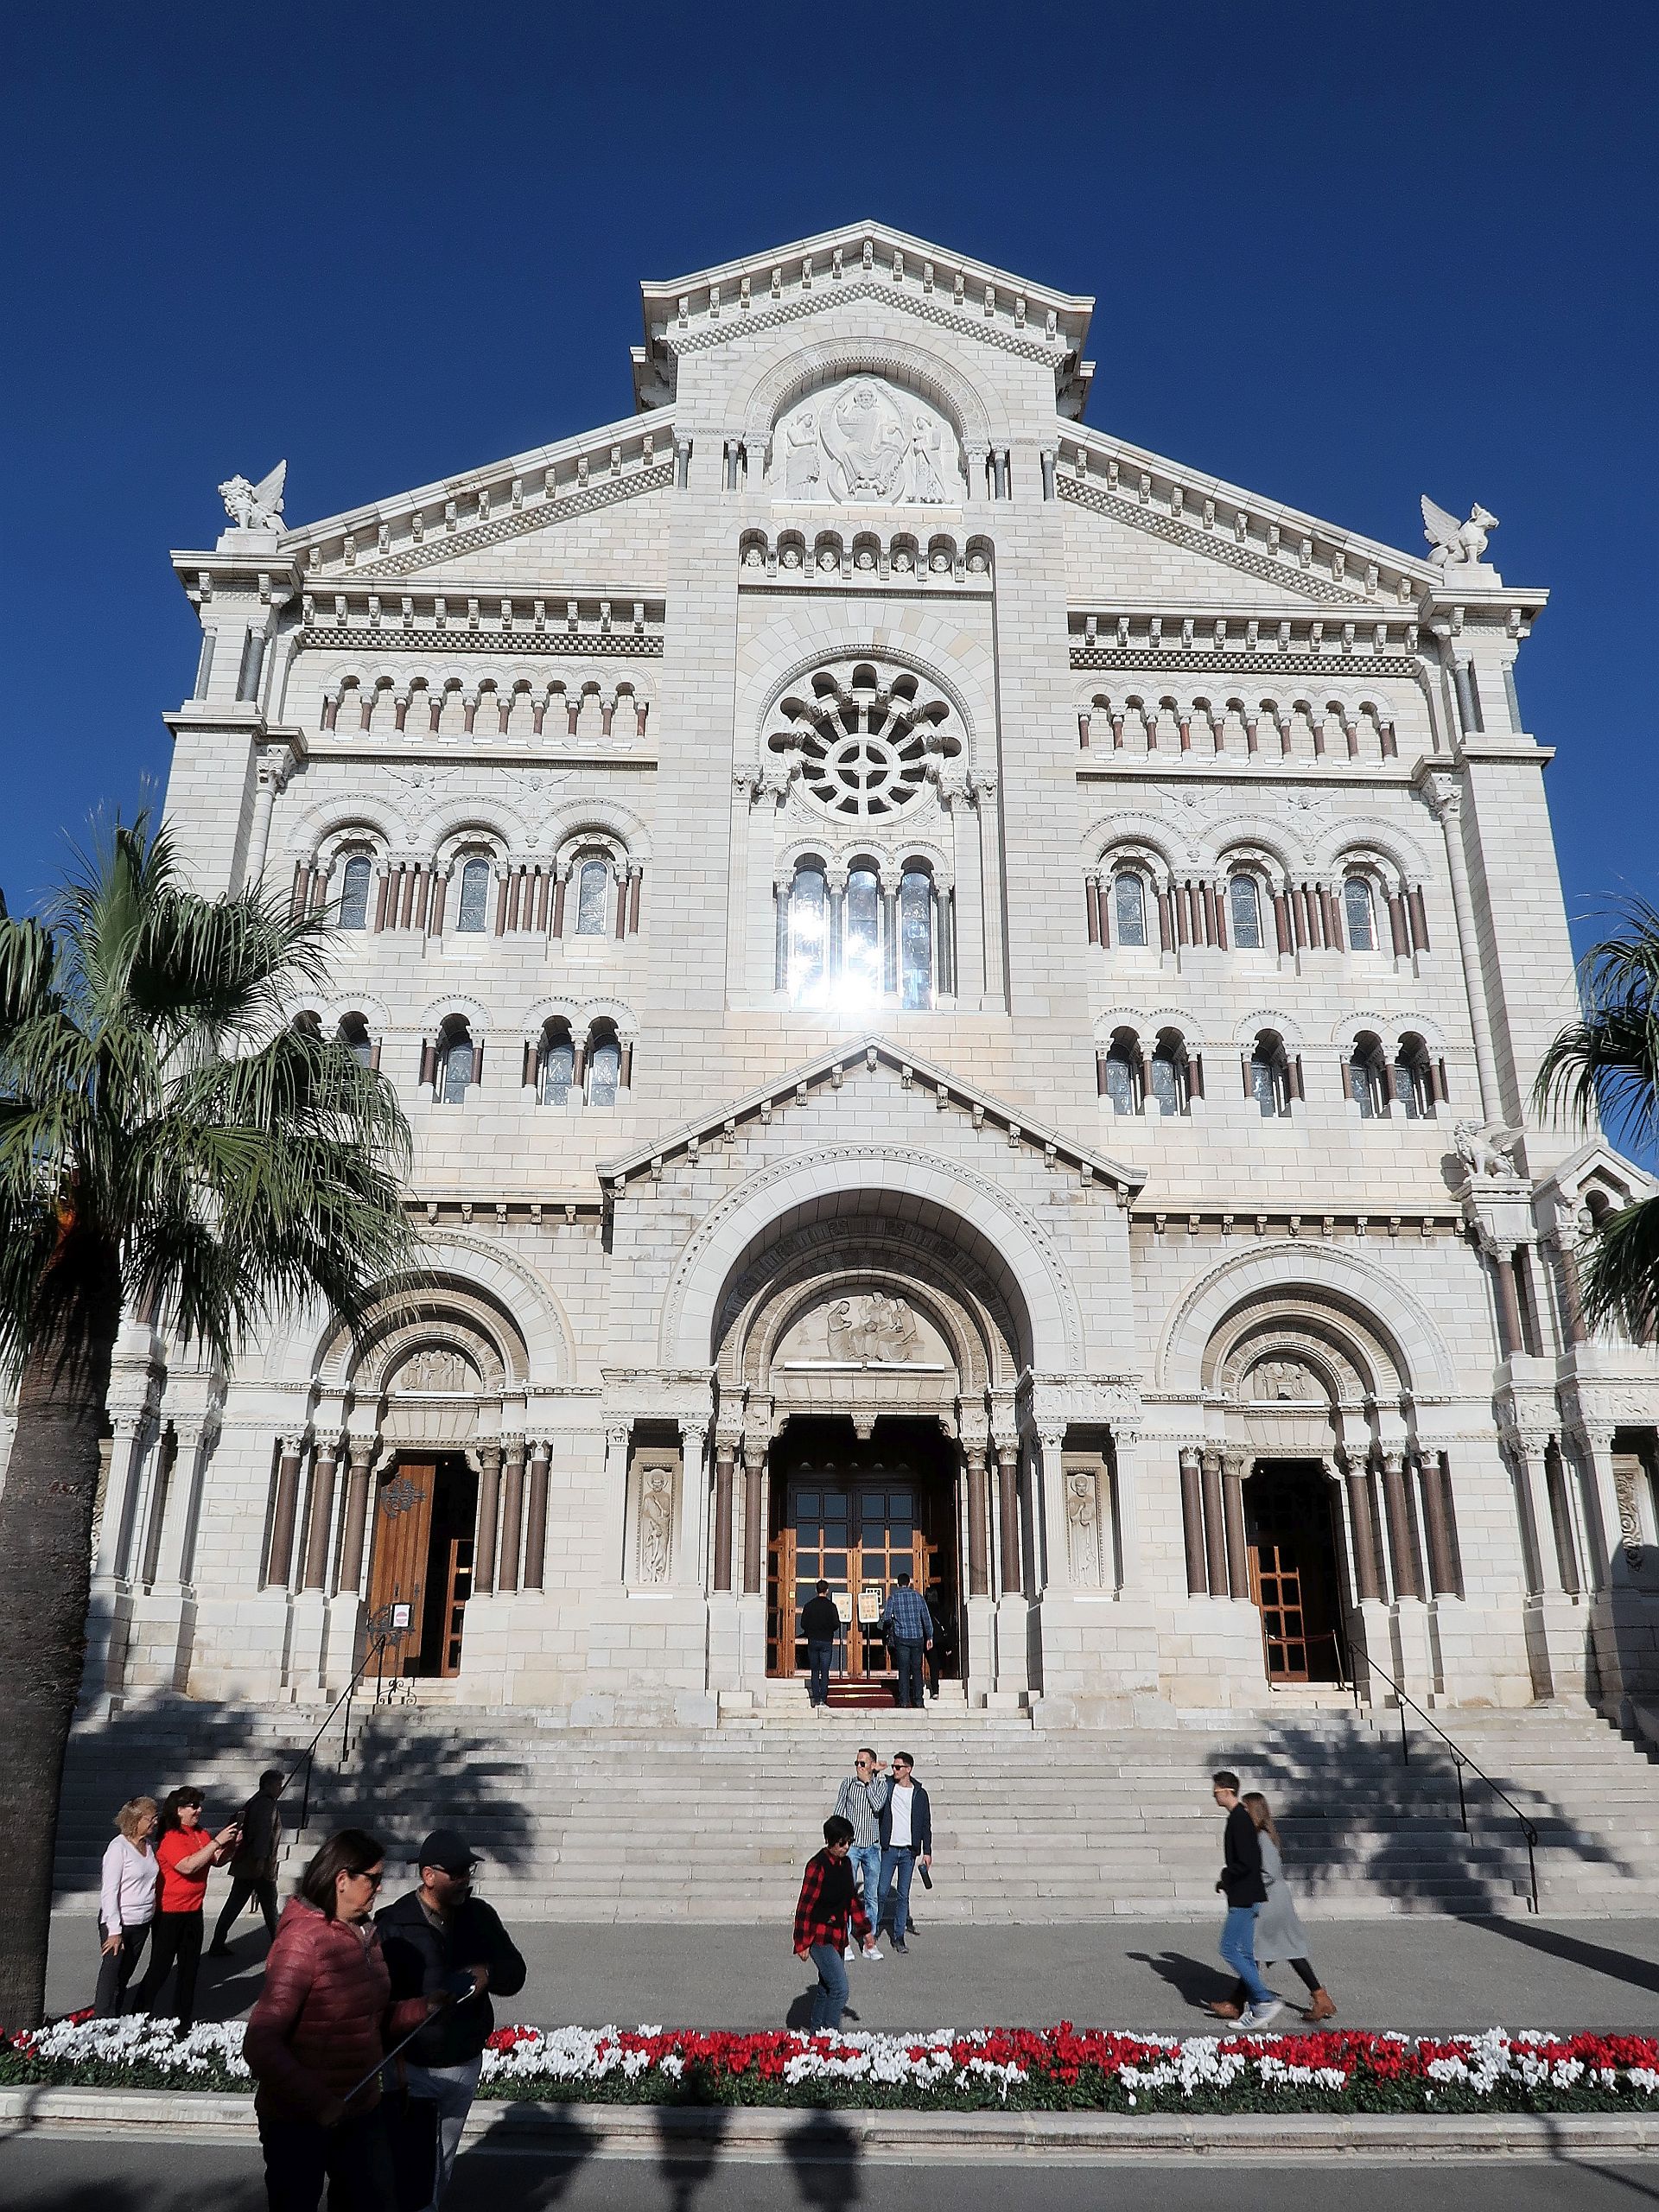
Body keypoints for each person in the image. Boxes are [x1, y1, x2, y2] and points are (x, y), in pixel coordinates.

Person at [245, 1827, 432, 2212]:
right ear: (342, 1879)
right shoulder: (303, 1942)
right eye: (374, 1879)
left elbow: (372, 2019)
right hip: (298, 2119)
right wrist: (319, 2103)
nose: (379, 1888)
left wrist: (427, 2007)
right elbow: (261, 2042)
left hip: (360, 2109)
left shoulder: (367, 1935)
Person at [377, 1830, 527, 2210]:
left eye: (469, 1871)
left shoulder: (479, 1916)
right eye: (457, 1873)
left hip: (462, 2062)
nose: (466, 1880)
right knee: (410, 2167)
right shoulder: (394, 1922)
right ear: (428, 1876)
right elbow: (381, 2001)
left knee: (442, 2162)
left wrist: (489, 1974)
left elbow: (516, 1971)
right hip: (413, 2068)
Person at [1209, 1793, 1336, 2024]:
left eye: (1246, 1810)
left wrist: (1236, 1883)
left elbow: (1269, 1873)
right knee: (1270, 1951)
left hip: (1270, 1904)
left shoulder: (1261, 1839)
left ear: (1254, 1812)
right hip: (1269, 1901)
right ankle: (1318, 1997)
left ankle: (1238, 2002)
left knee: (1257, 1950)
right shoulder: (1258, 1836)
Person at [131, 1786, 240, 2034]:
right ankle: (137, 2015)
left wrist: (231, 1847)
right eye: (193, 1806)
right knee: (160, 1969)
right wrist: (216, 1843)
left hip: (193, 1911)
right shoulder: (171, 1837)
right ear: (179, 1810)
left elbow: (216, 1860)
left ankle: (182, 2022)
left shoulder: (200, 1834)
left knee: (190, 1969)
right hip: (169, 1912)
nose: (198, 1810)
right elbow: (188, 1866)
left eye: (199, 1805)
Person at [1210, 1770, 1282, 2030]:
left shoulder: (1239, 1818)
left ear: (1227, 1790)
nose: (1213, 1795)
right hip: (1246, 1894)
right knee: (1245, 1953)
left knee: (1229, 1949)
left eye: (1215, 1790)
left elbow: (1247, 1863)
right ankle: (1256, 2010)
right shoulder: (1239, 1817)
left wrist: (1226, 1876)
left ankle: (1264, 1999)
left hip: (1243, 1895)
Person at [792, 1815, 872, 2032]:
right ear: (830, 1841)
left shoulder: (846, 1864)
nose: (846, 1847)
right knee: (840, 1988)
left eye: (849, 1842)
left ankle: (817, 2033)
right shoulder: (817, 1866)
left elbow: (852, 1900)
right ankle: (829, 2032)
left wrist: (865, 1931)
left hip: (838, 1937)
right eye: (841, 1843)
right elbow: (804, 1906)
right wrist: (802, 1943)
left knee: (826, 1988)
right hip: (818, 1936)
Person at [209, 1769, 286, 1958]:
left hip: (246, 1864)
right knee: (270, 1908)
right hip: (258, 1865)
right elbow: (263, 1834)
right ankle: (281, 1948)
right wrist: (261, 1862)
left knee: (234, 1904)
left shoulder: (255, 1801)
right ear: (268, 1785)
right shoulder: (265, 1804)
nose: (280, 1788)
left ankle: (217, 1941)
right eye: (277, 1784)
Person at [95, 1796, 158, 2018]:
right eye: (151, 1818)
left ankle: (117, 2019)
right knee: (111, 1977)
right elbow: (109, 1891)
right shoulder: (118, 1848)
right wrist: (114, 1931)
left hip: (141, 1923)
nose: (155, 1822)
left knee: (124, 1978)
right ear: (137, 1819)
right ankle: (101, 2020)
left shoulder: (148, 1846)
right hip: (119, 1924)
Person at [831, 1750, 888, 1963]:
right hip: (852, 1847)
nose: (859, 1766)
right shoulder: (847, 1783)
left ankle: (869, 1942)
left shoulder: (880, 1785)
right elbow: (839, 1812)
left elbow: (877, 1805)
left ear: (872, 1765)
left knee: (871, 1897)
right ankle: (844, 1942)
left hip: (872, 1847)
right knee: (847, 1895)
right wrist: (836, 1842)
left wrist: (868, 1782)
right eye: (856, 1762)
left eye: (863, 1763)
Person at [874, 1751, 932, 1953]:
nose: (894, 1770)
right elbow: (873, 1790)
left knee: (902, 1895)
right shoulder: (888, 1786)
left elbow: (926, 1824)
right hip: (889, 1849)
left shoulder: (919, 1793)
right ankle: (873, 1930)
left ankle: (898, 1937)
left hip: (909, 1852)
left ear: (908, 1769)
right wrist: (876, 1771)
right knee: (881, 1891)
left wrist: (927, 1851)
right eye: (893, 1766)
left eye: (898, 1767)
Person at [878, 1573, 933, 1709]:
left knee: (903, 1670)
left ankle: (904, 1701)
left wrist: (889, 1621)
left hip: (901, 1637)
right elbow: (926, 1618)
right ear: (909, 1583)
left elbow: (886, 1619)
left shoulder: (893, 1597)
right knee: (917, 1669)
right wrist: (930, 1636)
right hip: (917, 1637)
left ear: (898, 1584)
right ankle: (918, 1701)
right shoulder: (918, 1597)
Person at [800, 1579, 841, 1710]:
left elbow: (803, 1624)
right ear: (827, 1591)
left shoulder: (809, 1605)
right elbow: (836, 1624)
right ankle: (823, 1699)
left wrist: (811, 1631)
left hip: (813, 1640)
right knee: (824, 1671)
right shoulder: (831, 1606)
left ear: (815, 1590)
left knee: (814, 1671)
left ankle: (816, 1700)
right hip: (826, 1641)